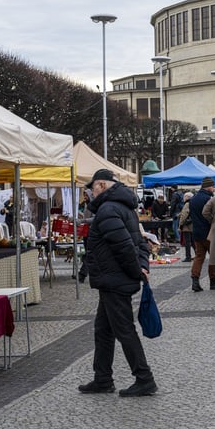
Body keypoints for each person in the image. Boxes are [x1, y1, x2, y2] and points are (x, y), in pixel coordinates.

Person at [78, 169, 157, 397]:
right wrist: (142, 267)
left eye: (93, 187)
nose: (91, 192)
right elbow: (140, 242)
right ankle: (102, 378)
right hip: (113, 279)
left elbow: (123, 246)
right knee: (103, 329)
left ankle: (144, 378)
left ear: (102, 185)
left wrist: (137, 271)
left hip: (115, 279)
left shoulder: (108, 209)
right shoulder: (125, 207)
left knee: (124, 329)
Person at [189, 177, 215, 292]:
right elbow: (211, 215)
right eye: (213, 186)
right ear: (208, 186)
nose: (214, 188)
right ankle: (213, 281)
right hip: (209, 232)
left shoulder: (193, 199)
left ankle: (195, 280)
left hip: (196, 232)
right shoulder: (209, 199)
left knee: (199, 257)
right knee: (213, 257)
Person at [178, 192, 194, 262]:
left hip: (187, 226)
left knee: (187, 242)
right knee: (193, 241)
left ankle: (188, 257)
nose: (183, 198)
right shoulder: (193, 203)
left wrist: (180, 224)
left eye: (184, 197)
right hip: (192, 225)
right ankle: (198, 254)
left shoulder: (187, 204)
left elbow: (184, 215)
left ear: (187, 197)